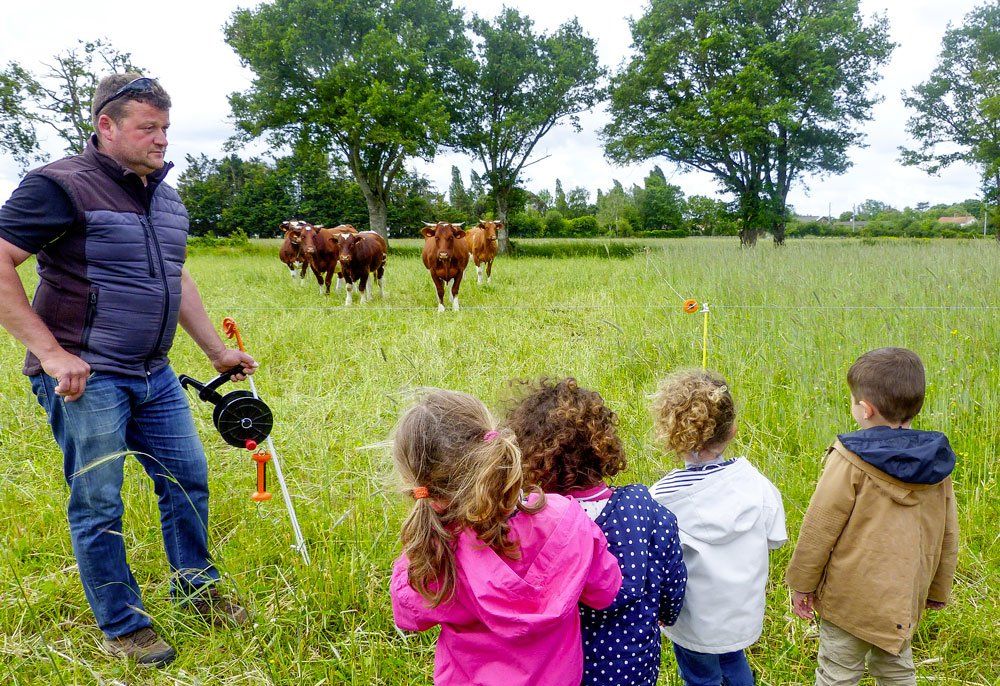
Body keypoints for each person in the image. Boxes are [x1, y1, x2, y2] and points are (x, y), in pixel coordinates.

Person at [0, 74, 257, 666]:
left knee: (187, 479)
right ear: (106, 126)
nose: (162, 139)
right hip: (88, 377)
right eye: (148, 128)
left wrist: (215, 351)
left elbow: (175, 274)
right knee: (99, 500)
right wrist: (51, 353)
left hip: (154, 373)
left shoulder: (165, 196)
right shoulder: (58, 185)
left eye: (166, 127)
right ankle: (122, 624)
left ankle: (197, 589)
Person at [389, 388, 623, 685]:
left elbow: (408, 615)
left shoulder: (435, 552)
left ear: (427, 492)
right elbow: (605, 591)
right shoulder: (565, 517)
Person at [785, 347, 959, 686]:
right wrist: (938, 588)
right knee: (897, 671)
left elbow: (819, 528)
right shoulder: (937, 463)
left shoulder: (848, 459)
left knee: (837, 675)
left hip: (848, 602)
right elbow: (947, 533)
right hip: (902, 601)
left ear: (865, 409)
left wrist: (801, 585)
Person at [505, 377, 687, 686]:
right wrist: (667, 614)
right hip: (633, 668)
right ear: (603, 445)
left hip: (555, 670)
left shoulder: (525, 523)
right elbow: (673, 581)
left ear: (530, 456)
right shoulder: (647, 512)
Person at [649, 370, 786, 686]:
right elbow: (776, 538)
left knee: (701, 676)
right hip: (741, 615)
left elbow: (656, 565)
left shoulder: (660, 498)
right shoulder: (758, 485)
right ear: (733, 430)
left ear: (672, 435)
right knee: (733, 661)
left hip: (693, 621)